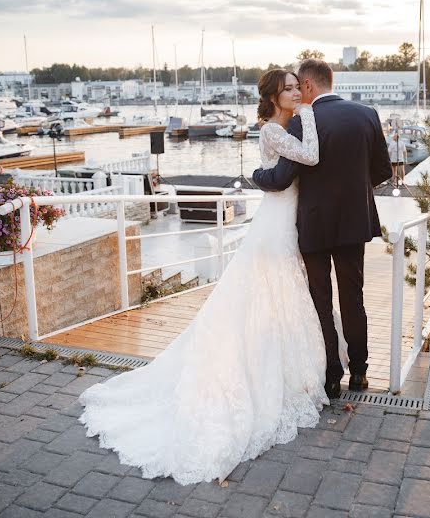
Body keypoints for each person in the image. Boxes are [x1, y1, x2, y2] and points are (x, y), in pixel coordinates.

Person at [78, 70, 328, 485]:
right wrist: (312, 112)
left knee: (280, 296)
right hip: (275, 226)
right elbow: (313, 157)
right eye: (288, 88)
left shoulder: (287, 126)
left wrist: (303, 115)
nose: (296, 92)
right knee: (267, 293)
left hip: (286, 219)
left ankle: (286, 373)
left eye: (297, 87)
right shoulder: (271, 131)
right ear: (273, 96)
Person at [252, 59, 392, 398]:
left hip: (313, 223)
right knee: (352, 297)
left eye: (299, 86)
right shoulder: (367, 114)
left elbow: (283, 177)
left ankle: (332, 376)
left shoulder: (302, 121)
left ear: (309, 86)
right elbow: (382, 170)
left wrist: (256, 176)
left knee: (321, 299)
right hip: (353, 222)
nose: (298, 92)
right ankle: (359, 372)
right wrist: (353, 194)